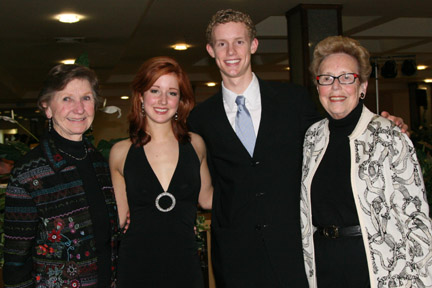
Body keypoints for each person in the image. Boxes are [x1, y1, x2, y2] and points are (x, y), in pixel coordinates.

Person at [188, 9, 409, 287]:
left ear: (253, 45)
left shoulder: (293, 100)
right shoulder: (200, 118)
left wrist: (380, 124)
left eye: (239, 41)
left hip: (294, 254)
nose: (231, 51)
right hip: (235, 258)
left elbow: (335, 131)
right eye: (222, 43)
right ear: (211, 50)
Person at [300, 35, 432, 288]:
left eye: (347, 77)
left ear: (362, 87)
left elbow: (416, 220)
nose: (336, 87)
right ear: (318, 88)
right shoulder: (312, 138)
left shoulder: (389, 136)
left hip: (378, 270)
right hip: (324, 266)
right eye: (327, 79)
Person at [3, 64, 119, 287]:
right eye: (67, 99)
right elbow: (16, 262)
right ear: (47, 108)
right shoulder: (28, 174)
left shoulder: (101, 163)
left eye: (86, 98)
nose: (79, 109)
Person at [109, 56, 213, 287]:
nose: (163, 100)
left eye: (172, 93)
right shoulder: (120, 152)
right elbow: (117, 219)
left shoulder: (196, 144)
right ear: (140, 97)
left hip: (185, 262)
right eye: (155, 90)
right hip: (136, 264)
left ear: (181, 100)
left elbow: (207, 199)